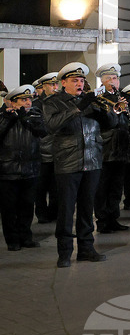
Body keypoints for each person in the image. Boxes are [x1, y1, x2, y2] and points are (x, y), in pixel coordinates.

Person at [42, 62, 115, 268]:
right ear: (64, 83)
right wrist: (77, 108)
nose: (80, 84)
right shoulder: (53, 102)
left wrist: (105, 111)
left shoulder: (89, 101)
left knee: (86, 208)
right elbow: (52, 126)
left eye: (82, 80)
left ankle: (86, 249)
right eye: (75, 80)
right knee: (66, 210)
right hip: (68, 163)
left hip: (92, 161)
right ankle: (64, 252)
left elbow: (112, 125)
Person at [94, 63, 130, 235]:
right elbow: (103, 121)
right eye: (110, 79)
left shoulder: (125, 97)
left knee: (116, 187)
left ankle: (114, 218)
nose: (114, 82)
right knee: (102, 188)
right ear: (103, 81)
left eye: (116, 78)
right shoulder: (98, 98)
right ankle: (102, 221)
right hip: (105, 148)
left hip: (122, 148)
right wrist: (114, 110)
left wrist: (129, 108)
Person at [0, 84, 46, 251]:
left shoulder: (35, 115)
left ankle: (26, 237)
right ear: (12, 102)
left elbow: (43, 132)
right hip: (8, 170)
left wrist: (26, 119)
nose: (27, 103)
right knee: (9, 208)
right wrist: (8, 118)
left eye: (29, 99)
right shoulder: (2, 116)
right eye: (23, 100)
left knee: (27, 207)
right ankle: (12, 240)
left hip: (31, 169)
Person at [31, 72, 59, 223]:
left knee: (56, 188)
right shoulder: (36, 105)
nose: (55, 87)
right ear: (43, 87)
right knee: (41, 188)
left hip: (58, 152)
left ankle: (54, 213)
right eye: (51, 85)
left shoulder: (60, 102)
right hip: (42, 153)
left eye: (56, 84)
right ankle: (42, 214)